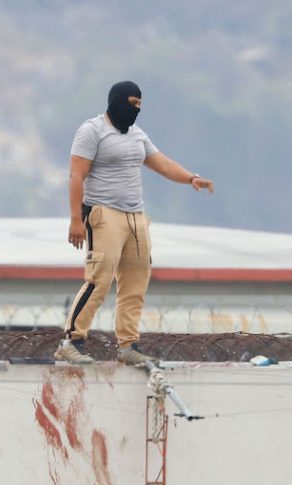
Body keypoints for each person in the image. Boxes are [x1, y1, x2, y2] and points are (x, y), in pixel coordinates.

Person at [54, 81, 214, 365]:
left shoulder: (137, 134)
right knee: (99, 280)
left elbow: (161, 162)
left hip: (136, 217)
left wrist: (191, 178)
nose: (136, 109)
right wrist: (76, 219)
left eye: (140, 104)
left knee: (136, 283)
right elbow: (76, 175)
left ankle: (128, 345)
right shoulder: (92, 130)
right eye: (132, 103)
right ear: (116, 100)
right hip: (104, 213)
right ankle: (72, 340)